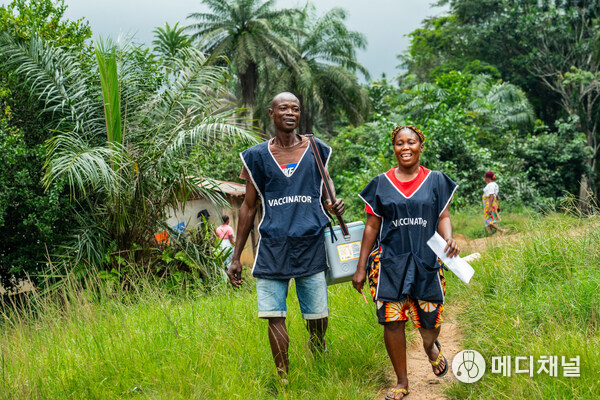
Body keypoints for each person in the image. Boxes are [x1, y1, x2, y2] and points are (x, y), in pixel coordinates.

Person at [227, 92, 345, 380]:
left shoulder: (316, 148)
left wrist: (333, 203)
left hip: (310, 240)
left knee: (317, 314)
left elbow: (328, 188)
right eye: (284, 108)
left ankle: (318, 353)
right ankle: (283, 378)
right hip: (272, 244)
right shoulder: (256, 157)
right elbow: (248, 207)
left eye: (295, 108)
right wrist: (235, 257)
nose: (290, 112)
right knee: (273, 314)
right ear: (272, 113)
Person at [352, 125, 459, 400]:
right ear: (394, 148)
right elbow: (371, 227)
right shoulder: (380, 184)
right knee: (392, 322)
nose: (405, 148)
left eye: (411, 142)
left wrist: (449, 239)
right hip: (390, 263)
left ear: (421, 146)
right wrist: (361, 267)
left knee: (430, 320)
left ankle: (430, 346)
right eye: (399, 143)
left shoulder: (436, 181)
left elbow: (443, 216)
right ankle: (402, 382)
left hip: (427, 260)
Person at [483, 170, 507, 235]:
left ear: (487, 177)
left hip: (489, 204)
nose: (484, 179)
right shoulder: (495, 185)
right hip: (493, 204)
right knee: (492, 220)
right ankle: (492, 234)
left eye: (484, 177)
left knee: (489, 221)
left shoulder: (490, 185)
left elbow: (491, 196)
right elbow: (496, 196)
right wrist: (498, 206)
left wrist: (490, 208)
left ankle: (502, 230)